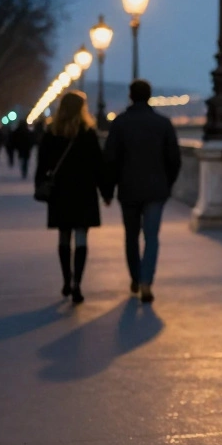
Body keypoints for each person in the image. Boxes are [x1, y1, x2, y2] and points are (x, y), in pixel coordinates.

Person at [103, 79, 182, 304]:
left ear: (130, 96)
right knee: (152, 237)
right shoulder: (163, 124)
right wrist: (167, 184)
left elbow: (110, 160)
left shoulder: (119, 124)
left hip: (128, 189)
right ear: (149, 96)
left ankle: (136, 278)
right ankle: (147, 279)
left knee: (131, 236)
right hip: (156, 189)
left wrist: (108, 190)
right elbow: (174, 160)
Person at [34, 91, 109, 305]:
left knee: (64, 236)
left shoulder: (51, 133)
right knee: (82, 237)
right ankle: (78, 282)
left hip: (60, 192)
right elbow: (98, 166)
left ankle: (66, 279)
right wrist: (106, 192)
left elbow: (42, 165)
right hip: (83, 192)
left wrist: (40, 186)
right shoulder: (87, 133)